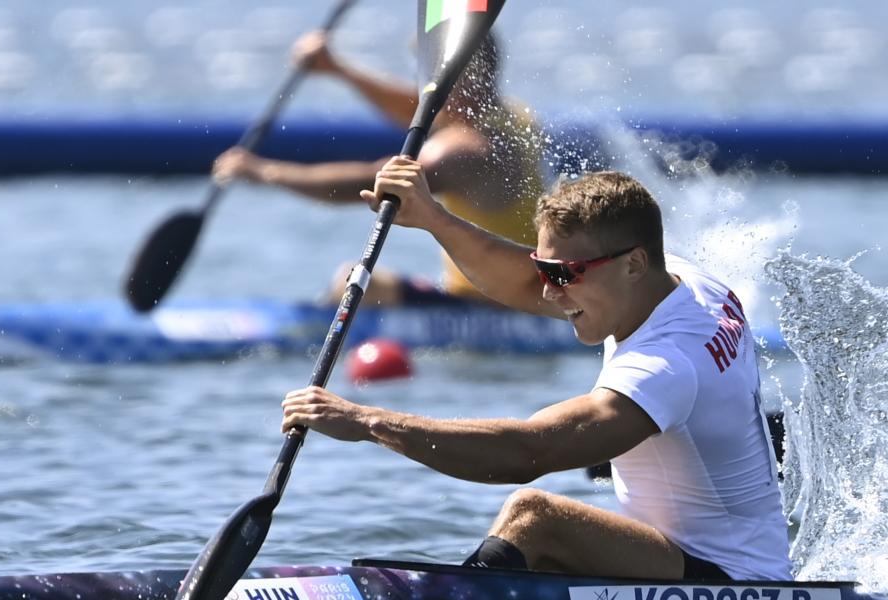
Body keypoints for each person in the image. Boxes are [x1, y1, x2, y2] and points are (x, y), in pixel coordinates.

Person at [280, 162, 792, 581]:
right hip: (692, 555)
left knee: (536, 517)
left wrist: (367, 422)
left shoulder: (667, 363)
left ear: (634, 264)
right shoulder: (682, 282)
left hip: (732, 580)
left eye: (563, 275)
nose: (548, 291)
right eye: (547, 269)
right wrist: (433, 217)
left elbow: (529, 453)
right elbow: (521, 283)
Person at [212, 30, 545, 306]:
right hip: (521, 292)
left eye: (428, 72)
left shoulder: (465, 151)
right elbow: (418, 110)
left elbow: (372, 180)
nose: (423, 82)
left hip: (493, 308)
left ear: (453, 76)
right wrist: (338, 69)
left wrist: (263, 172)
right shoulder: (512, 116)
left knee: (353, 281)